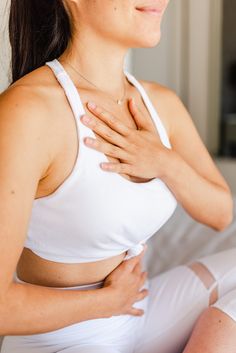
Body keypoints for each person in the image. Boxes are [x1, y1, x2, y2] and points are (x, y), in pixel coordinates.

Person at [0, 0, 235, 352]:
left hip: (136, 314)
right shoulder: (29, 111)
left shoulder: (160, 103)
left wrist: (164, 162)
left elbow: (221, 214)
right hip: (65, 340)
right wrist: (105, 303)